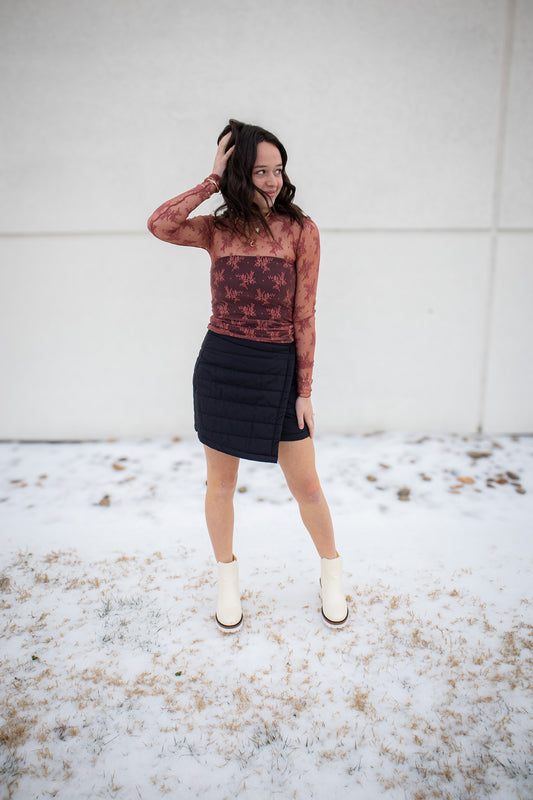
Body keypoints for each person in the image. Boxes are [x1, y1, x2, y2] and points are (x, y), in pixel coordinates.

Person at [147, 119, 348, 632]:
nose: (273, 180)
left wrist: (304, 390)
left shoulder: (301, 231)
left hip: (277, 369)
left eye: (278, 170)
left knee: (307, 485)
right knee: (221, 485)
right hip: (222, 366)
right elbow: (160, 224)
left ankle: (331, 573)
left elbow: (304, 315)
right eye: (260, 171)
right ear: (240, 172)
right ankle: (227, 581)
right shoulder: (217, 230)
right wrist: (210, 180)